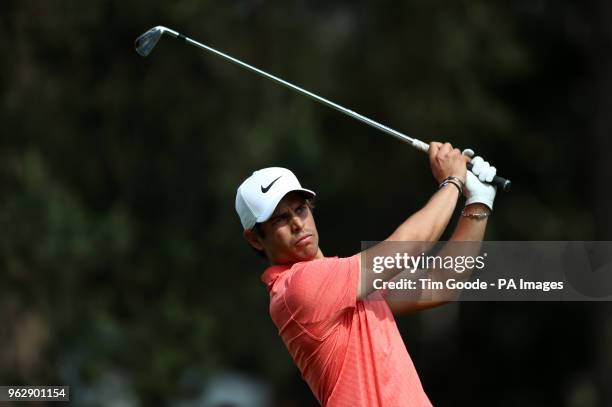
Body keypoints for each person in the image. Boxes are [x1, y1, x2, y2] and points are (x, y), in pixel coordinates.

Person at [235, 142, 498, 406]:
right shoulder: (296, 288)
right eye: (279, 219)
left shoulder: (346, 282)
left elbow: (442, 285)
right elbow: (409, 244)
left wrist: (479, 202)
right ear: (255, 239)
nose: (296, 223)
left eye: (300, 209)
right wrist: (452, 180)